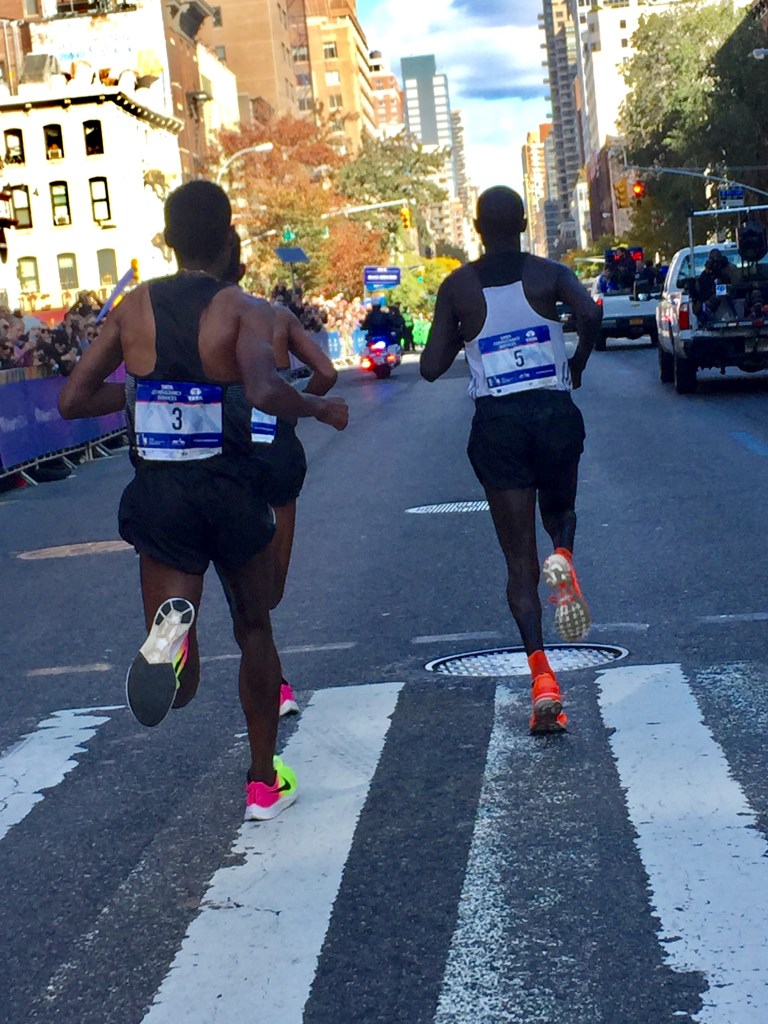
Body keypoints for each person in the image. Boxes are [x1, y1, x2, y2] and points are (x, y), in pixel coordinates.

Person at [58, 180, 349, 821]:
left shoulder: (132, 308)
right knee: (255, 629)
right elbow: (268, 391)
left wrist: (138, 398)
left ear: (168, 239)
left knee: (180, 679)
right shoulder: (240, 308)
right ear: (225, 239)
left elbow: (73, 400)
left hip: (159, 494)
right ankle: (261, 784)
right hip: (228, 489)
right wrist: (321, 407)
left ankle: (176, 645)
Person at [420, 186, 601, 735]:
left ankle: (543, 680)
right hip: (552, 410)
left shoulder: (459, 287)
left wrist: (459, 331)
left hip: (498, 424)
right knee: (560, 509)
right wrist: (577, 363)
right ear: (523, 224)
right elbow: (590, 312)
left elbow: (429, 367)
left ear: (477, 228)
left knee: (518, 561)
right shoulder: (549, 274)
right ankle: (564, 553)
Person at [224, 228, 339, 716]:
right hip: (279, 451)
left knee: (241, 591)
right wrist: (296, 406)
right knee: (271, 585)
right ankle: (278, 682)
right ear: (243, 270)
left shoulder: (199, 323)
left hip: (227, 452)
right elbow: (328, 374)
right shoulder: (275, 315)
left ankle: (277, 682)